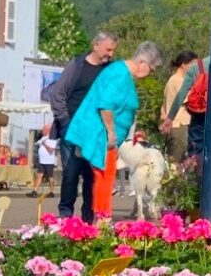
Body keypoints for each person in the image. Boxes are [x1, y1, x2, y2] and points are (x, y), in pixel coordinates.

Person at [59, 41, 163, 224]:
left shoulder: (120, 72)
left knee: (103, 177)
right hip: (102, 134)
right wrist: (112, 132)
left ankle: (100, 217)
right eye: (152, 69)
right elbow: (106, 104)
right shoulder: (120, 74)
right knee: (105, 177)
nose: (150, 74)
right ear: (143, 63)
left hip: (102, 134)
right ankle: (103, 219)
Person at [159, 50, 200, 161]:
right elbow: (191, 101)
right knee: (176, 161)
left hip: (178, 125)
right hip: (179, 124)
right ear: (183, 64)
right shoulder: (178, 81)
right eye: (193, 64)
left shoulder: (174, 80)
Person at [33, 130, 58, 195]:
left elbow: (51, 150)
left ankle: (51, 192)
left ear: (47, 131)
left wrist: (44, 144)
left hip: (49, 162)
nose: (42, 131)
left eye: (43, 130)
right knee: (39, 175)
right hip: (42, 161)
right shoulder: (44, 137)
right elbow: (37, 143)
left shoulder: (52, 139)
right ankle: (35, 191)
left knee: (50, 177)